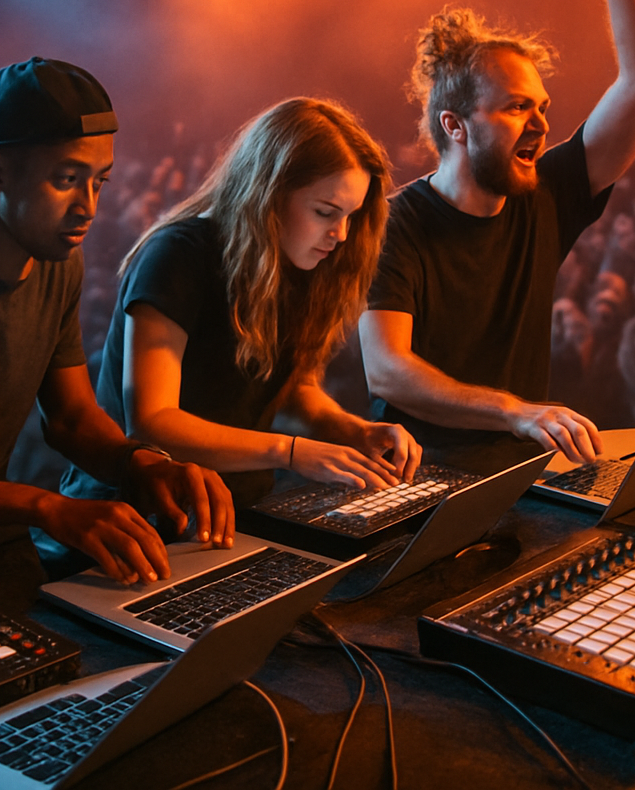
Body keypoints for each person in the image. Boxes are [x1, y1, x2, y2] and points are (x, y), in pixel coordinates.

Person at [0, 57, 234, 611]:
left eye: (99, 181)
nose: (89, 207)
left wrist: (144, 463)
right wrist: (47, 507)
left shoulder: (59, 259)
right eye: (66, 180)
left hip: (4, 549)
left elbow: (70, 417)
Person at [359, 0, 635, 461]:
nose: (539, 124)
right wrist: (513, 410)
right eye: (515, 108)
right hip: (418, 481)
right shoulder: (396, 223)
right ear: (456, 126)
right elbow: (388, 372)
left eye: (542, 108)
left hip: (517, 475)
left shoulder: (548, 193)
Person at [61, 96, 421, 515]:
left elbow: (292, 391)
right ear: (268, 194)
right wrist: (290, 452)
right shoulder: (176, 256)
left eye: (351, 216)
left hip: (236, 510)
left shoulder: (301, 262)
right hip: (135, 516)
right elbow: (153, 422)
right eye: (325, 212)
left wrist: (354, 431)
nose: (341, 234)